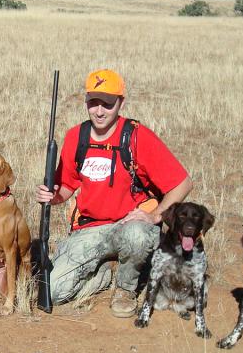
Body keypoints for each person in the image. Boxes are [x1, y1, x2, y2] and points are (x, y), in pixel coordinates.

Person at [35, 69, 193, 317]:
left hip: (129, 226)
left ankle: (125, 288)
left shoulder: (137, 136)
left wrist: (155, 216)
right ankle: (106, 273)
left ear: (120, 103)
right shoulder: (76, 136)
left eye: (107, 104)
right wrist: (51, 197)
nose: (99, 111)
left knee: (137, 237)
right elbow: (66, 187)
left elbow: (182, 183)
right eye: (93, 103)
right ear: (86, 101)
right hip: (88, 230)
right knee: (53, 291)